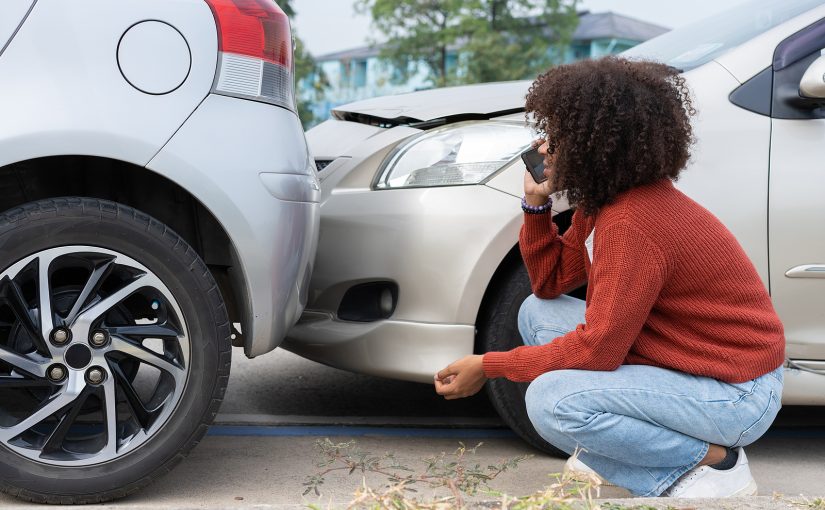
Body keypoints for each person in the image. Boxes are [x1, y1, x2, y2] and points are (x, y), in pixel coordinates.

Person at [433, 56, 785, 498]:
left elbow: (599, 350)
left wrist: (489, 365)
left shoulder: (632, 223)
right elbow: (549, 284)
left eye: (558, 136)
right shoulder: (606, 205)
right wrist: (537, 205)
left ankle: (714, 464)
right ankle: (641, 452)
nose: (545, 147)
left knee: (552, 402)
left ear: (594, 145)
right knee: (536, 312)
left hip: (737, 394)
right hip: (693, 363)